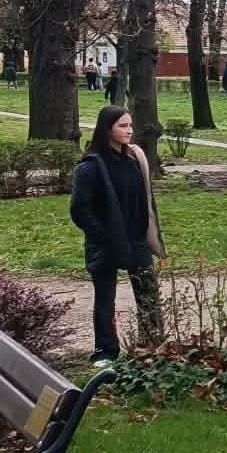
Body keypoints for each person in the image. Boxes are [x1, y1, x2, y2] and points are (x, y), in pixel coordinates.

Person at [70, 105, 165, 366]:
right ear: (107, 128)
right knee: (105, 297)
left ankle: (153, 345)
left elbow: (144, 200)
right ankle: (105, 351)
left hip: (136, 240)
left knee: (148, 294)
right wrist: (102, 235)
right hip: (106, 243)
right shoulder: (91, 166)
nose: (129, 130)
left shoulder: (132, 160)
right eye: (122, 126)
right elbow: (79, 209)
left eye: (130, 125)